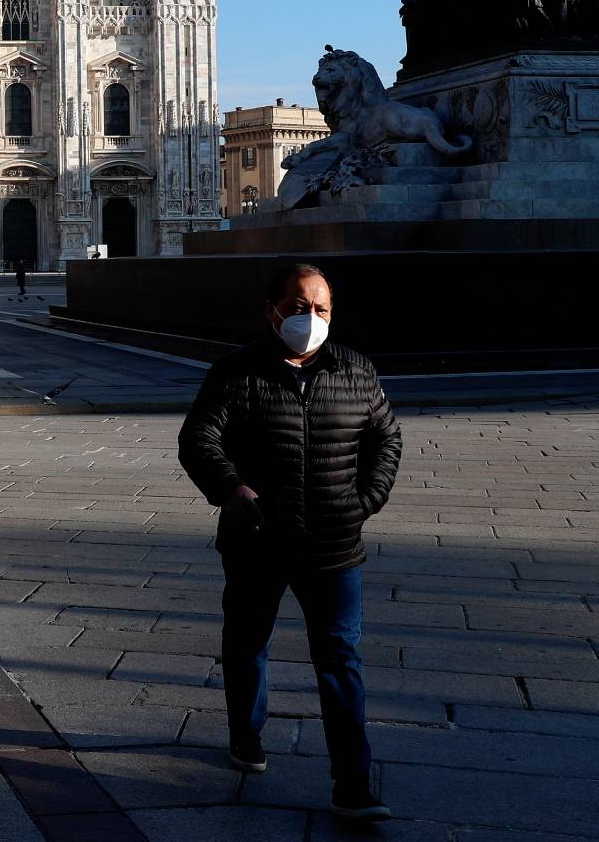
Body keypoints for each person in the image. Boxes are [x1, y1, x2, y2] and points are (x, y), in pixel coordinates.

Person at [177, 263, 402, 823]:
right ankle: (246, 736)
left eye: (321, 309)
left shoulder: (357, 371)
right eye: (300, 307)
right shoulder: (235, 372)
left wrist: (365, 502)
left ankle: (353, 783)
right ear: (272, 311)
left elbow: (386, 439)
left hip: (333, 542)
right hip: (256, 538)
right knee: (248, 643)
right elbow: (198, 438)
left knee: (341, 659)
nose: (311, 318)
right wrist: (230, 488)